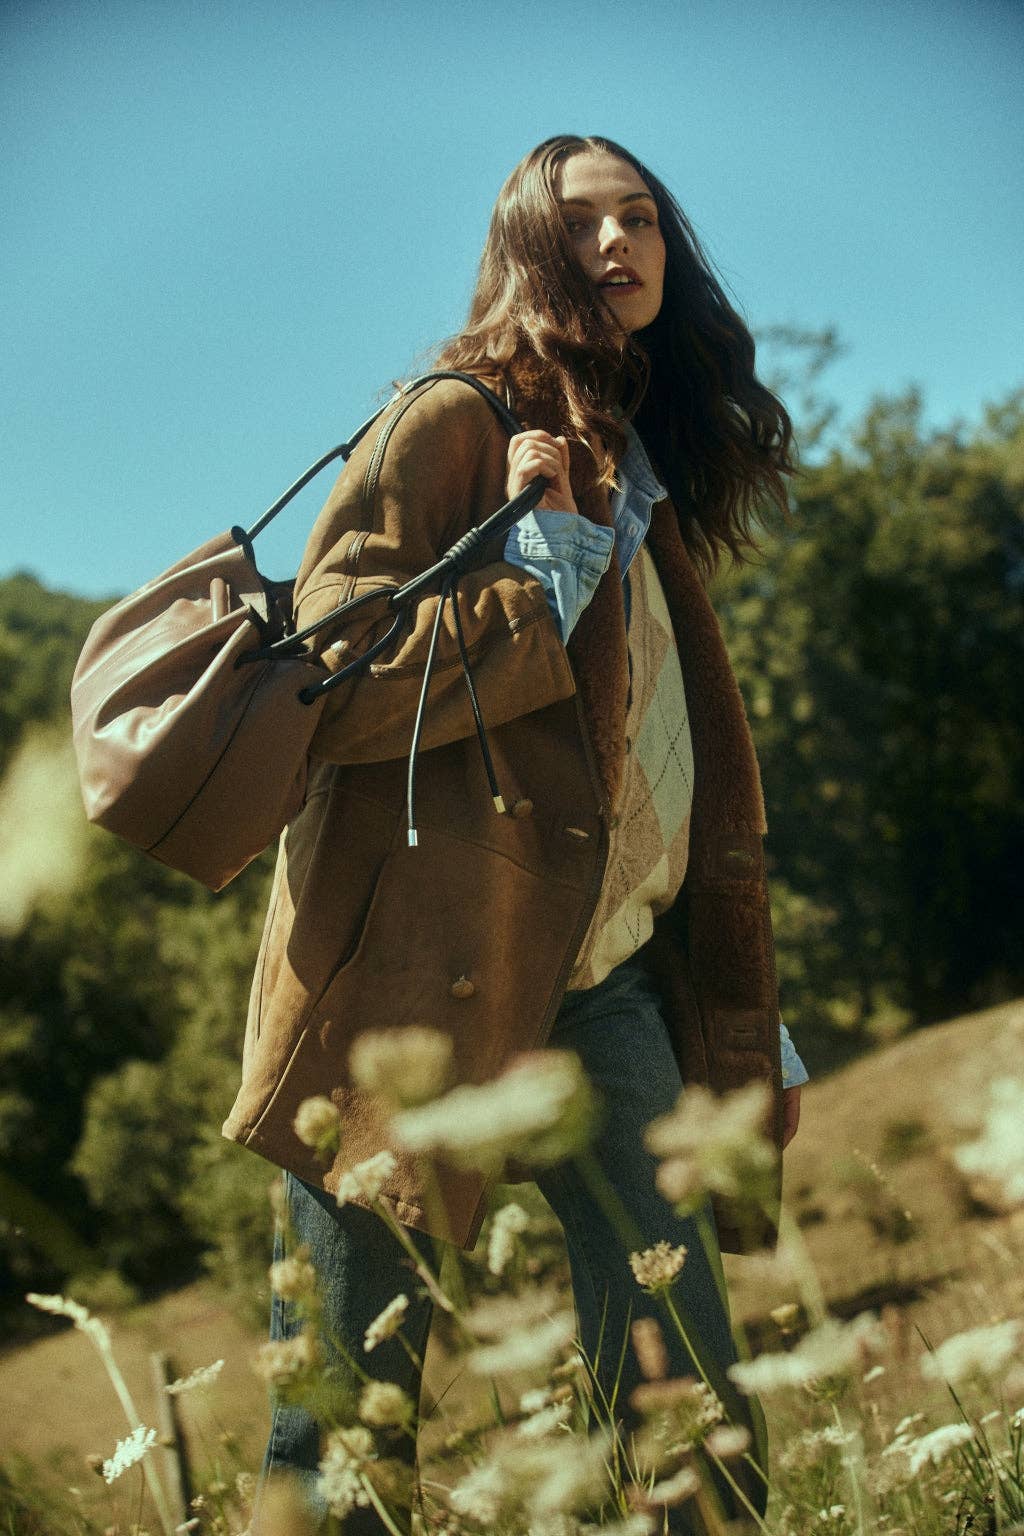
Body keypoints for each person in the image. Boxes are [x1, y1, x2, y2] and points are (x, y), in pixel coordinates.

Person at [230, 133, 808, 1532]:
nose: (620, 243)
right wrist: (538, 563)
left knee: (688, 1389)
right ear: (525, 253)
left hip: (607, 981)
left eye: (642, 217)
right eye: (584, 221)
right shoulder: (450, 421)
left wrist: (747, 1016)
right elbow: (332, 678)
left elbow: (665, 773)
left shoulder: (639, 470)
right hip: (408, 986)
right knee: (349, 1418)